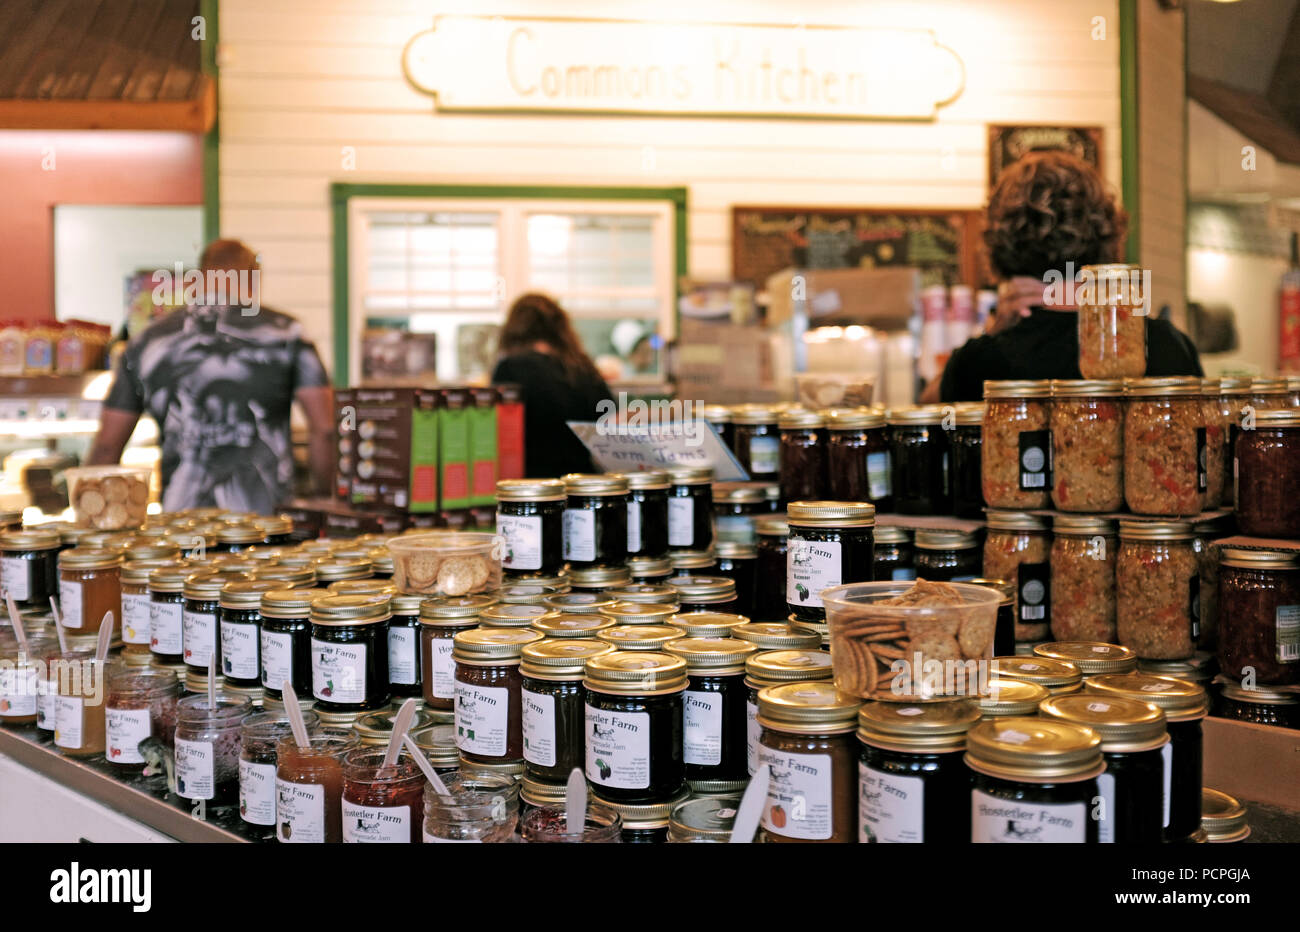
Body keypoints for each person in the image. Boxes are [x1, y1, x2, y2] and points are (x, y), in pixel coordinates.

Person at [926, 151, 1201, 403]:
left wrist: (992, 330)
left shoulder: (982, 360)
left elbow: (928, 406)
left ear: (998, 242)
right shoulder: (1165, 344)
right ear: (1106, 234)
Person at [87, 239, 335, 514]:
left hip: (183, 522)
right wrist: (326, 499)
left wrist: (91, 513)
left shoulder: (147, 341)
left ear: (200, 277)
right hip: (268, 525)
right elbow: (324, 430)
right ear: (253, 279)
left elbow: (107, 446)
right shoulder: (287, 334)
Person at [492, 292, 614, 478]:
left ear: (513, 329)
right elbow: (611, 421)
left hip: (532, 488)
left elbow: (498, 433)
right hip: (582, 485)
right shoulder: (583, 368)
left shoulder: (508, 369)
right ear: (560, 329)